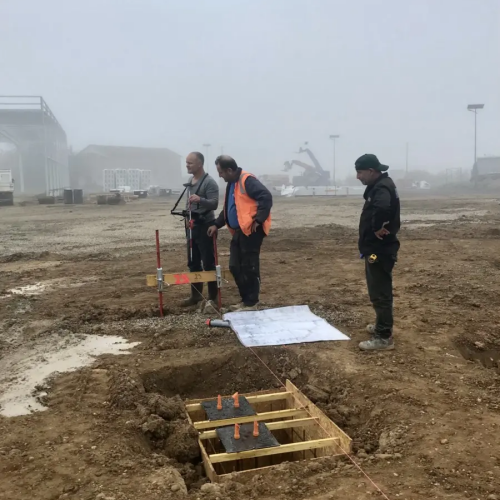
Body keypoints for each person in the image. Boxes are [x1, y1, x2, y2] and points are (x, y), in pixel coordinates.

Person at [207, 155, 272, 311]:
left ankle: (251, 302)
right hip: (239, 231)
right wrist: (216, 224)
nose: (220, 175)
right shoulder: (232, 184)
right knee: (235, 266)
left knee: (249, 266)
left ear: (229, 170)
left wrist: (259, 219)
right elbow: (229, 208)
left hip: (251, 231)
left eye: (221, 172)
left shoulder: (247, 181)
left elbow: (266, 196)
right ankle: (245, 300)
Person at [355, 154, 400, 351]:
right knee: (378, 289)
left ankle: (383, 336)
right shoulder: (382, 184)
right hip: (376, 249)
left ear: (371, 171)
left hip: (378, 251)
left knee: (379, 291)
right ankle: (382, 325)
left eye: (360, 172)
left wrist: (376, 227)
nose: (358, 177)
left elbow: (382, 207)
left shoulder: (381, 187)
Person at [181, 152, 219, 307]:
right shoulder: (190, 181)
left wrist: (200, 199)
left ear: (200, 164)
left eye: (190, 163)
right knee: (193, 262)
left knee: (208, 262)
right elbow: (188, 203)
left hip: (205, 226)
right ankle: (195, 296)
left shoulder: (209, 182)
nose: (187, 165)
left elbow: (214, 204)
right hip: (192, 227)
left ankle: (213, 297)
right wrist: (187, 218)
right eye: (186, 162)